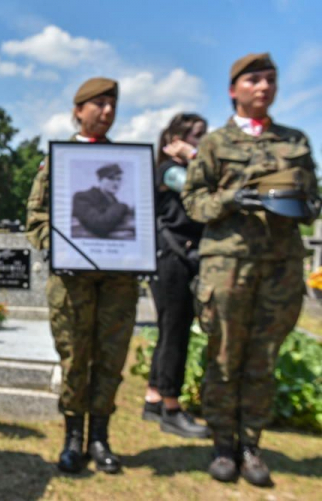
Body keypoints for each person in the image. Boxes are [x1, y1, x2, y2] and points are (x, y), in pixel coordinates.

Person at [182, 53, 320, 486]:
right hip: (227, 265)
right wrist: (229, 201)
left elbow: (313, 202)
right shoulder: (215, 143)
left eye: (270, 80)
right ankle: (223, 445)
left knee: (262, 360)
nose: (264, 87)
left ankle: (250, 445)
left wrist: (300, 206)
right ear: (233, 89)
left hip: (280, 267)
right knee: (223, 356)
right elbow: (193, 201)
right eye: (254, 80)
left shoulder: (295, 141)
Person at [26, 77, 138, 475]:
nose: (107, 112)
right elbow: (35, 219)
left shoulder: (128, 166)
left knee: (110, 359)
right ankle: (73, 438)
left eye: (112, 105)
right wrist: (58, 248)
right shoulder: (58, 161)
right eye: (99, 104)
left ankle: (100, 438)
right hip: (72, 284)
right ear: (78, 110)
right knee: (75, 359)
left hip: (118, 282)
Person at [141, 113, 210, 439]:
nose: (202, 142)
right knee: (175, 331)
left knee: (172, 329)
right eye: (197, 136)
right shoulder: (170, 171)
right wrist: (194, 157)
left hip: (179, 257)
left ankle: (154, 397)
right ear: (175, 141)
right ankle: (171, 407)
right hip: (171, 258)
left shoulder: (178, 169)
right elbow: (200, 185)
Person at [72, 164, 133, 239]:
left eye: (119, 179)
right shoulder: (83, 197)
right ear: (100, 180)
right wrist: (122, 206)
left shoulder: (113, 201)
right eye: (111, 178)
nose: (116, 183)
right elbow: (99, 225)